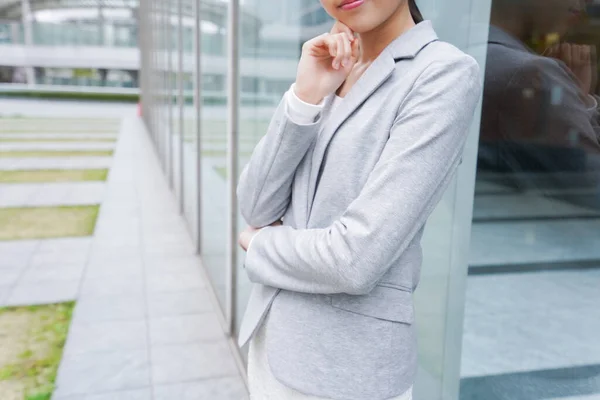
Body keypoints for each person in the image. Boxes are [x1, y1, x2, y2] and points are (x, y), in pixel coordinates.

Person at [236, 0, 481, 399]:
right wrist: (306, 96)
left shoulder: (442, 73)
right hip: (271, 346)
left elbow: (355, 258)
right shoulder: (329, 64)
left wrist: (258, 243)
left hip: (346, 373)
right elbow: (256, 205)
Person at [479, 0, 600, 208]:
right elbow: (591, 185)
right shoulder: (529, 74)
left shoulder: (469, 52)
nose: (588, 1)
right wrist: (577, 100)